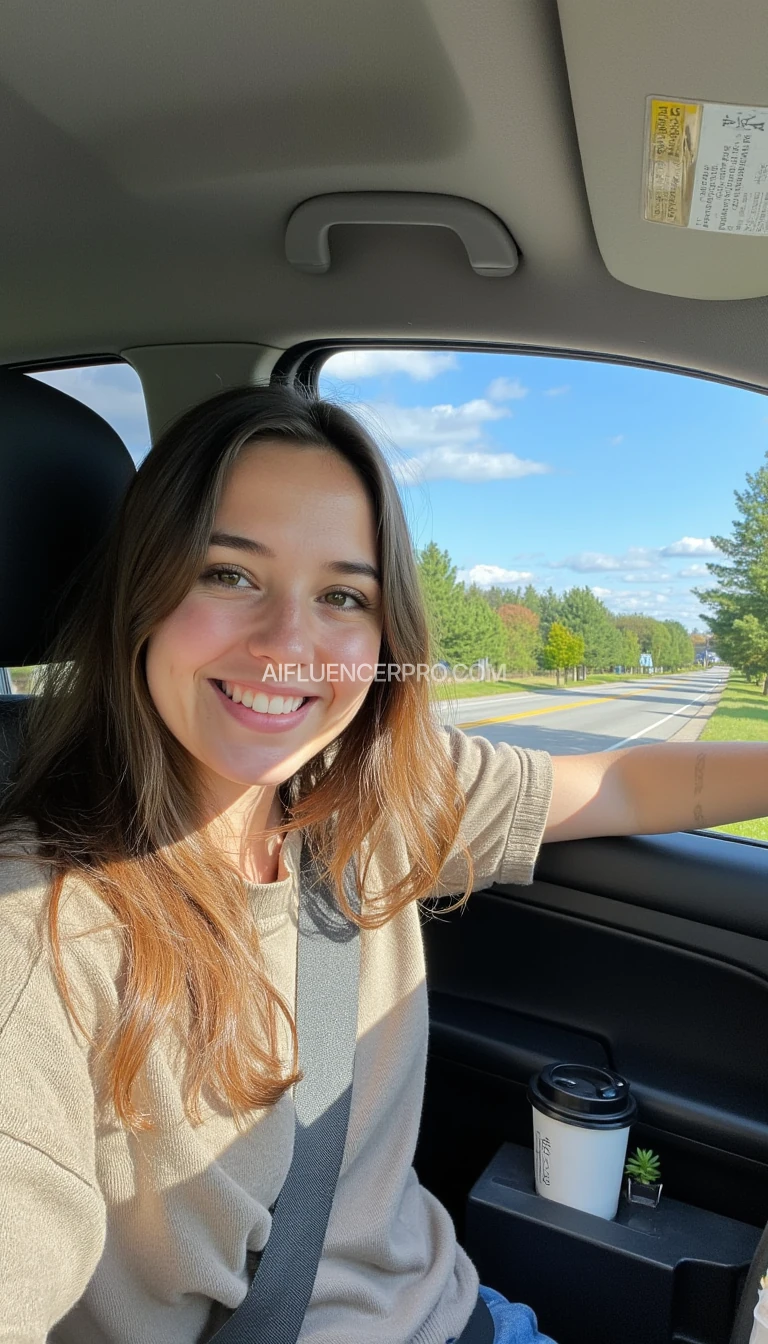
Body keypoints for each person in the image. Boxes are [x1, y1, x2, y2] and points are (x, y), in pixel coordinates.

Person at [0, 384, 764, 1344]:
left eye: (342, 596)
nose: (289, 645)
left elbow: (623, 787)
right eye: (228, 575)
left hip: (469, 1316)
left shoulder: (371, 802)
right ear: (140, 594)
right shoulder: (38, 924)